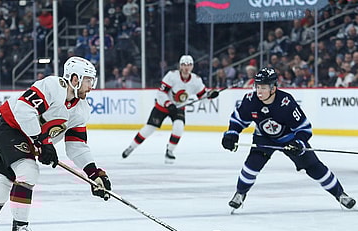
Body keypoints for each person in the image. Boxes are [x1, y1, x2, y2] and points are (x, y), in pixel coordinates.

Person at [0, 57, 112, 231]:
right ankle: (19, 229)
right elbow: (23, 109)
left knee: (1, 189)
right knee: (29, 171)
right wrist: (42, 141)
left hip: (29, 141)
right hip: (9, 128)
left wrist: (93, 173)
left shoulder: (81, 110)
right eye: (88, 80)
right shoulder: (53, 86)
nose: (91, 86)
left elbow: (77, 146)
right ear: (75, 78)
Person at [221, 67, 356, 211]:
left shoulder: (286, 103)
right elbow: (238, 120)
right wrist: (232, 133)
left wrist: (299, 142)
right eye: (257, 86)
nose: (259, 91)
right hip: (263, 138)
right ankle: (240, 194)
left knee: (314, 167)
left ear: (273, 88)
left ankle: (340, 194)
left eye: (264, 87)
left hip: (289, 139)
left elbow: (304, 128)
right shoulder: (250, 100)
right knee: (251, 166)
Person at [121, 55, 219, 163]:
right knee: (149, 129)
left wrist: (210, 96)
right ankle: (131, 147)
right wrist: (168, 104)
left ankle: (170, 151)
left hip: (178, 108)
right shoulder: (172, 76)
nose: (186, 67)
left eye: (189, 65)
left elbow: (203, 98)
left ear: (192, 66)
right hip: (162, 106)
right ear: (180, 66)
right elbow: (161, 93)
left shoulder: (196, 80)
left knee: (179, 127)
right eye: (184, 65)